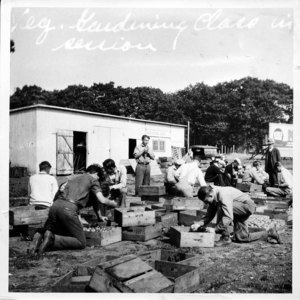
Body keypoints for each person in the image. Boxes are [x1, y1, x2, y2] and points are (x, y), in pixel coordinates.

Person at [30, 164, 118, 255]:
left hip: (55, 206)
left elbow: (57, 197)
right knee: (81, 242)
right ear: (95, 173)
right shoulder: (93, 180)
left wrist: (99, 216)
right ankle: (52, 238)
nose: (98, 180)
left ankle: (41, 234)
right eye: (98, 177)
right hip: (68, 208)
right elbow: (101, 199)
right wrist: (113, 203)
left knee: (62, 231)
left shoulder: (72, 179)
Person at [190, 186, 281, 246]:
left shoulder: (223, 195)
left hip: (247, 206)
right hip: (237, 209)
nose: (206, 203)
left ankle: (225, 237)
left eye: (207, 201)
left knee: (221, 207)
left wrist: (215, 230)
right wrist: (199, 224)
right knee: (241, 237)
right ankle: (269, 233)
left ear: (210, 195)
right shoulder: (212, 195)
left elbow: (228, 217)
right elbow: (209, 214)